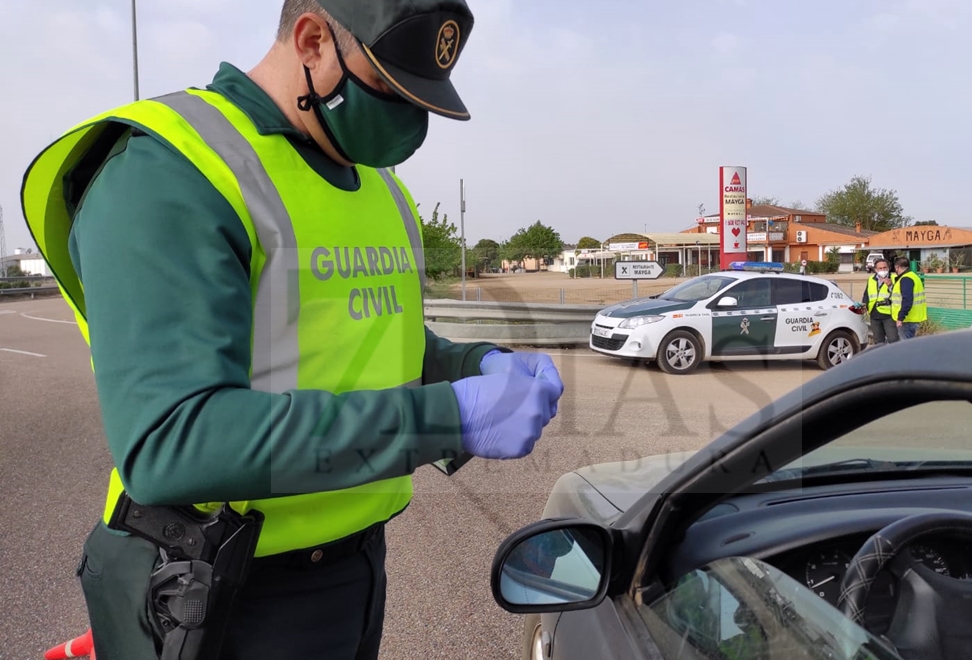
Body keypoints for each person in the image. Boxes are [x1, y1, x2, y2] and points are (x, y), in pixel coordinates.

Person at [20, 1, 565, 658]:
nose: (408, 120)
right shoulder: (169, 171)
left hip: (357, 569)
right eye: (389, 88)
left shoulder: (377, 185)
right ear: (312, 39)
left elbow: (375, 343)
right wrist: (449, 418)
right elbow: (173, 443)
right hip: (222, 593)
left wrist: (477, 366)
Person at [860, 259, 899, 346]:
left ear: (888, 268)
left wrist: (890, 286)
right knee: (878, 342)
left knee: (893, 340)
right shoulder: (871, 279)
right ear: (876, 270)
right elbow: (866, 294)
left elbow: (899, 295)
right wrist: (864, 305)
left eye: (885, 267)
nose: (883, 270)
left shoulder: (894, 279)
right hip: (874, 314)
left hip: (889, 315)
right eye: (880, 268)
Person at [890, 257, 928, 339]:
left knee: (906, 347)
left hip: (907, 320)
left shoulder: (905, 279)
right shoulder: (913, 276)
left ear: (897, 267)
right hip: (914, 318)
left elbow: (907, 299)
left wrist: (900, 318)